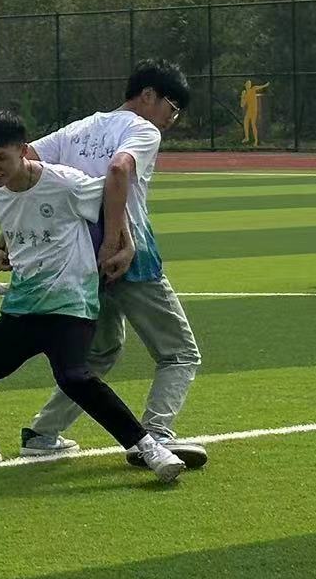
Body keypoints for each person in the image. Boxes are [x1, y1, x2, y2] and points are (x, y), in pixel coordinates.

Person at [0, 111, 186, 483]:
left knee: (74, 377)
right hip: (22, 309)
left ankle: (149, 447)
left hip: (70, 305)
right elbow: (15, 220)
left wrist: (124, 243)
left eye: (1, 157)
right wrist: (3, 248)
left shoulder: (66, 184)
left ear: (23, 151)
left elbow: (111, 199)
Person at [19, 60, 208, 470]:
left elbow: (24, 160)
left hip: (79, 257)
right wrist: (115, 238)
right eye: (172, 108)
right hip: (127, 256)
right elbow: (119, 168)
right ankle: (156, 435)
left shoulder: (79, 129)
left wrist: (14, 227)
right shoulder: (142, 129)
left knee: (101, 350)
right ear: (149, 95)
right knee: (179, 353)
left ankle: (42, 432)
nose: (171, 119)